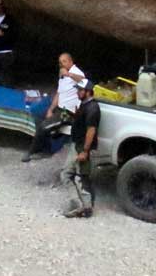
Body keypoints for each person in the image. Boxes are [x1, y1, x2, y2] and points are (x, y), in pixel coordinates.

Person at [25, 53, 89, 162]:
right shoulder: (62, 75)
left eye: (64, 61)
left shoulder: (76, 72)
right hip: (59, 107)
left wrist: (69, 74)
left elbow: (84, 81)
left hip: (68, 112)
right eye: (60, 62)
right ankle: (46, 148)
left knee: (44, 126)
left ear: (71, 61)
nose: (61, 64)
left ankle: (31, 152)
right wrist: (50, 109)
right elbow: (59, 94)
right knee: (38, 115)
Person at [61, 90, 101, 218]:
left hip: (82, 147)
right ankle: (78, 204)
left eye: (80, 90)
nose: (77, 92)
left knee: (81, 177)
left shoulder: (92, 108)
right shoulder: (84, 104)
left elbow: (91, 130)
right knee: (67, 175)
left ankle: (86, 207)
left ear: (88, 92)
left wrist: (85, 151)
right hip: (77, 145)